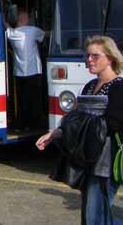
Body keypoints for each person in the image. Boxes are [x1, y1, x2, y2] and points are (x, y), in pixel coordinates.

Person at [37, 36, 123, 225]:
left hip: (105, 162)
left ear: (110, 58)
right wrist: (55, 133)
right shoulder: (90, 86)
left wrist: (82, 123)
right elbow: (74, 118)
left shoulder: (118, 87)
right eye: (87, 55)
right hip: (88, 158)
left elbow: (113, 124)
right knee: (95, 216)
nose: (89, 60)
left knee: (94, 217)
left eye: (95, 56)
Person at [5, 8, 46, 130]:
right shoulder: (33, 30)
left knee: (22, 101)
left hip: (19, 72)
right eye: (28, 17)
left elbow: (6, 27)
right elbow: (44, 36)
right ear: (24, 19)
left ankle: (21, 124)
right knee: (35, 100)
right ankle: (35, 124)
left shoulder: (11, 33)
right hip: (34, 71)